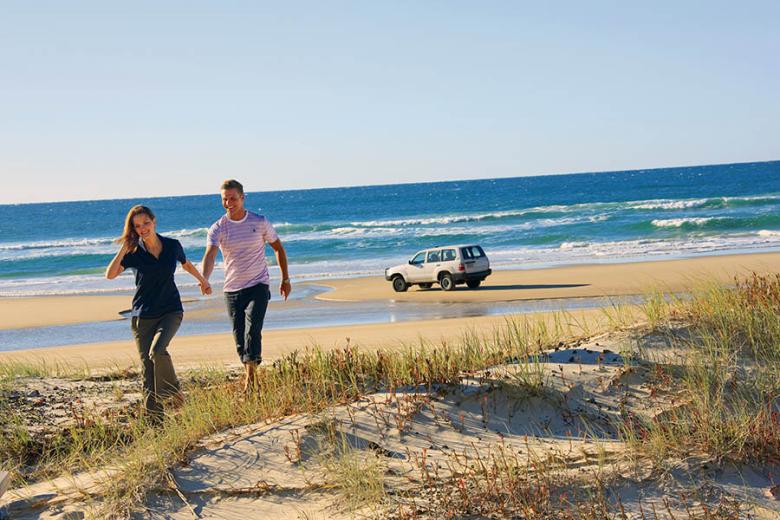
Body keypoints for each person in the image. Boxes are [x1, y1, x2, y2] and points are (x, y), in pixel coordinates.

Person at [106, 205, 212, 420]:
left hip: (171, 310)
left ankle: (175, 392)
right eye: (137, 226)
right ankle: (154, 422)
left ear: (154, 221)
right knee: (148, 370)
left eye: (146, 223)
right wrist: (124, 248)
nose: (143, 228)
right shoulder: (133, 253)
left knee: (157, 351)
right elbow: (110, 275)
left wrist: (203, 281)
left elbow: (186, 264)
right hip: (142, 315)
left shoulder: (172, 245)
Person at [201, 179, 291, 392]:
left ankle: (250, 379)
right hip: (232, 289)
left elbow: (278, 248)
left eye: (233, 198)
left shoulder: (259, 222)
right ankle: (251, 371)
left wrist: (285, 279)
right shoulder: (218, 228)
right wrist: (204, 278)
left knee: (253, 329)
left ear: (242, 198)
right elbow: (210, 255)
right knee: (239, 337)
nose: (228, 203)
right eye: (225, 199)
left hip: (258, 285)